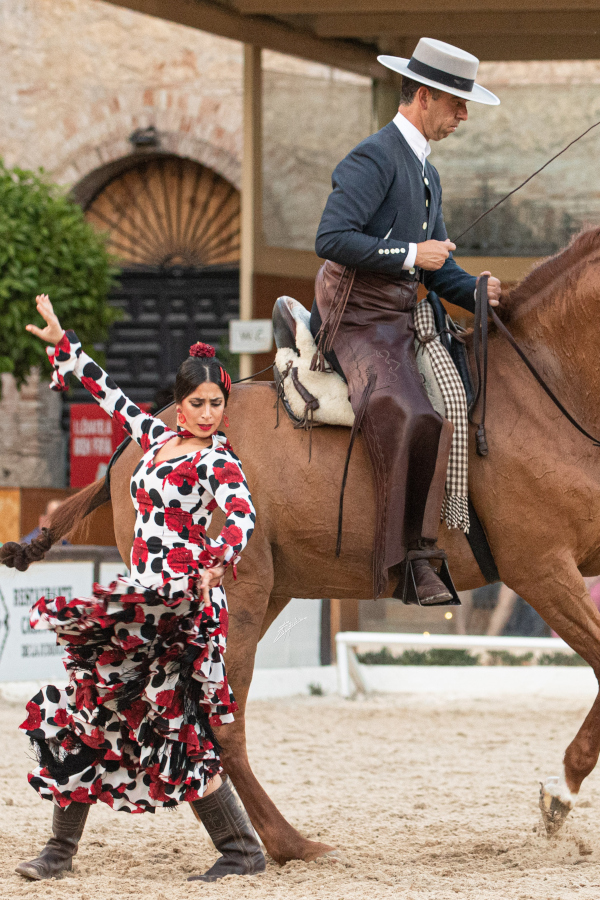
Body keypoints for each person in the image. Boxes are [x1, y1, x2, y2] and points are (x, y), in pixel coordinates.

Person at [6, 294, 265, 883]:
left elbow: (243, 515)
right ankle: (59, 853)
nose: (207, 414)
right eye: (197, 403)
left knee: (178, 728)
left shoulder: (218, 461)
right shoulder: (154, 440)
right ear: (178, 404)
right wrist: (65, 345)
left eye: (216, 404)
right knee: (87, 712)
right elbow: (112, 397)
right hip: (136, 604)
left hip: (182, 609)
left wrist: (221, 557)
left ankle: (241, 852)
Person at [312, 38, 503, 603]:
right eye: (456, 103)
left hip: (400, 310)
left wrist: (483, 293)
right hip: (356, 315)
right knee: (414, 409)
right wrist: (410, 256)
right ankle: (414, 559)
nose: (463, 115)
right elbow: (332, 238)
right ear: (423, 96)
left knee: (458, 392)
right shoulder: (373, 156)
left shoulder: (426, 173)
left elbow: (440, 269)